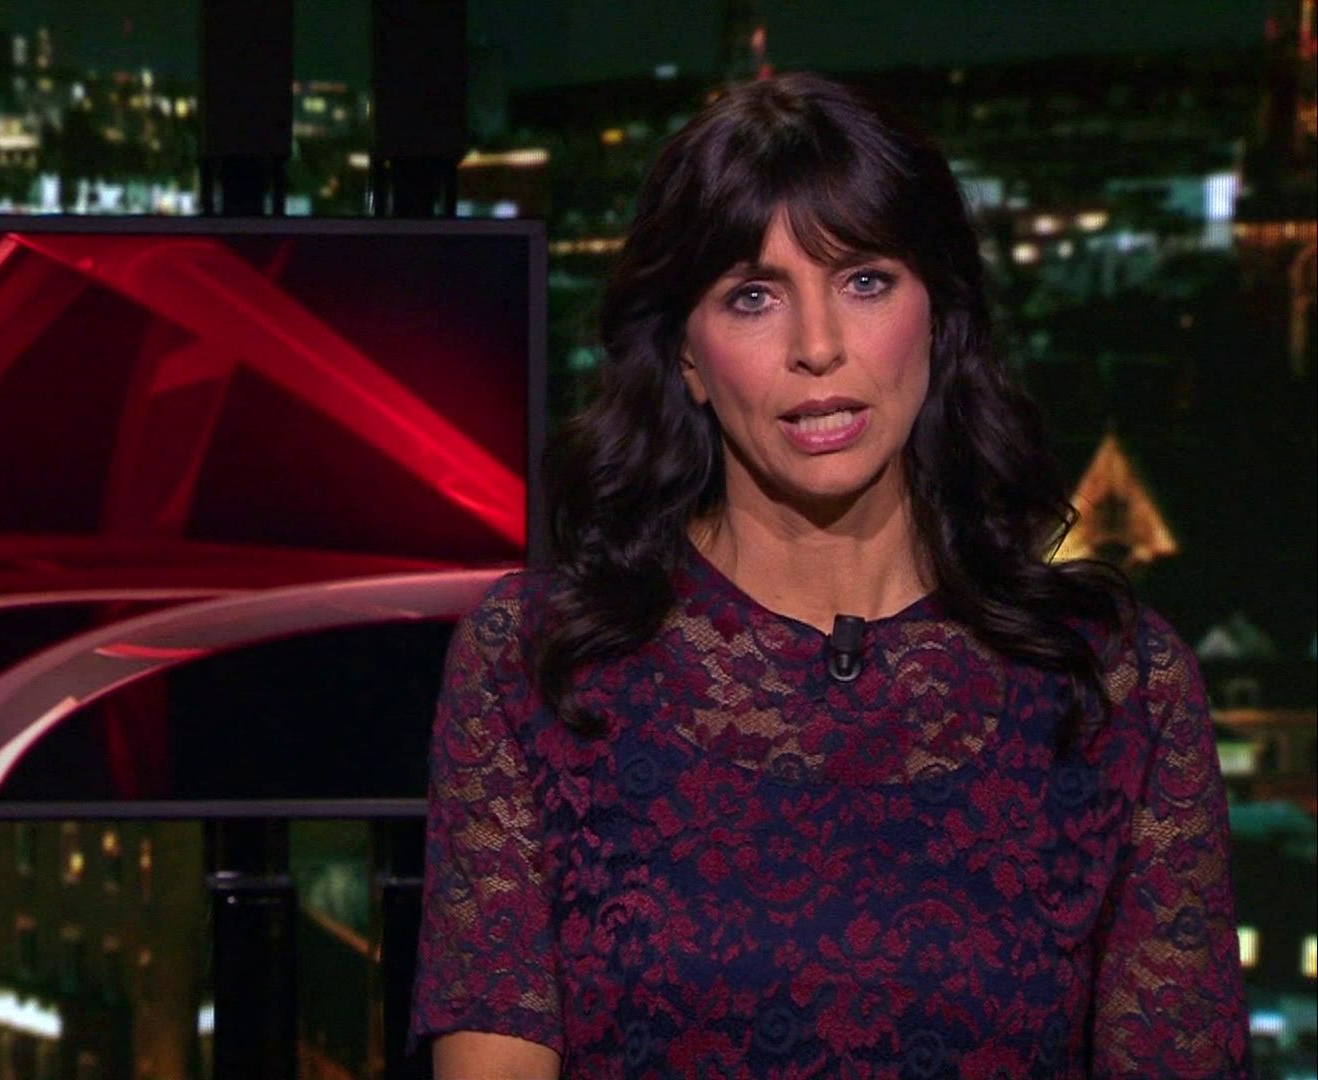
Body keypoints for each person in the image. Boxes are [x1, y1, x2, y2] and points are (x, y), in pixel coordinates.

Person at [407, 71, 1254, 1079]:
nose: (817, 348)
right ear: (686, 357)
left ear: (938, 316)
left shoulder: (1115, 685)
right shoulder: (536, 665)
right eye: (753, 297)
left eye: (864, 281)